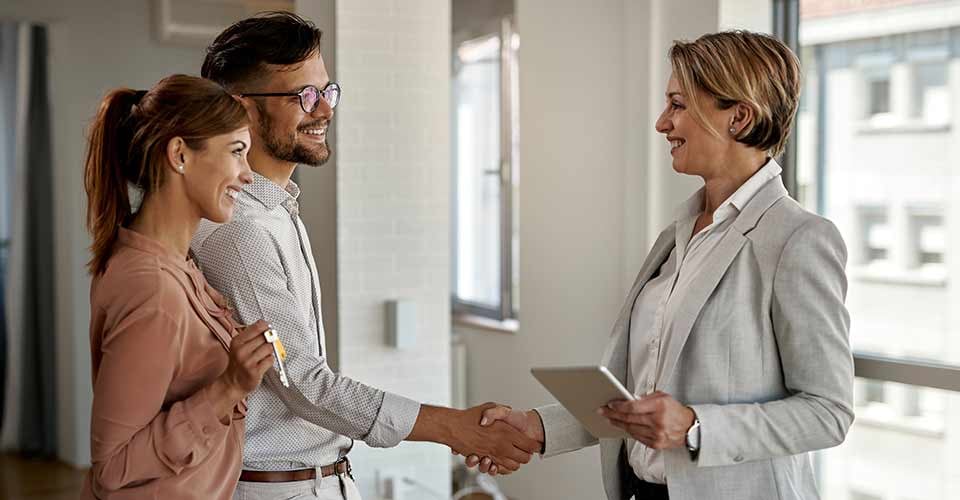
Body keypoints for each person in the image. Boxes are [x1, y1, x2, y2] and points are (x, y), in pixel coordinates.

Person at [466, 30, 855, 500]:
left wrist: (694, 426)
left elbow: (828, 412)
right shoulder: (677, 234)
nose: (661, 123)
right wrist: (536, 426)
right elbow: (638, 398)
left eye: (677, 104)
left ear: (739, 116)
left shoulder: (798, 239)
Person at [191, 12, 538, 500]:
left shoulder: (277, 210)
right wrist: (453, 428)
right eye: (304, 95)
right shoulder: (240, 232)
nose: (325, 111)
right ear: (241, 109)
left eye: (327, 92)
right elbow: (304, 383)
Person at [81, 74, 276, 499]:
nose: (248, 175)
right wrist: (229, 387)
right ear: (180, 155)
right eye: (237, 152)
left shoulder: (168, 265)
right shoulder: (153, 288)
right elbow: (114, 466)